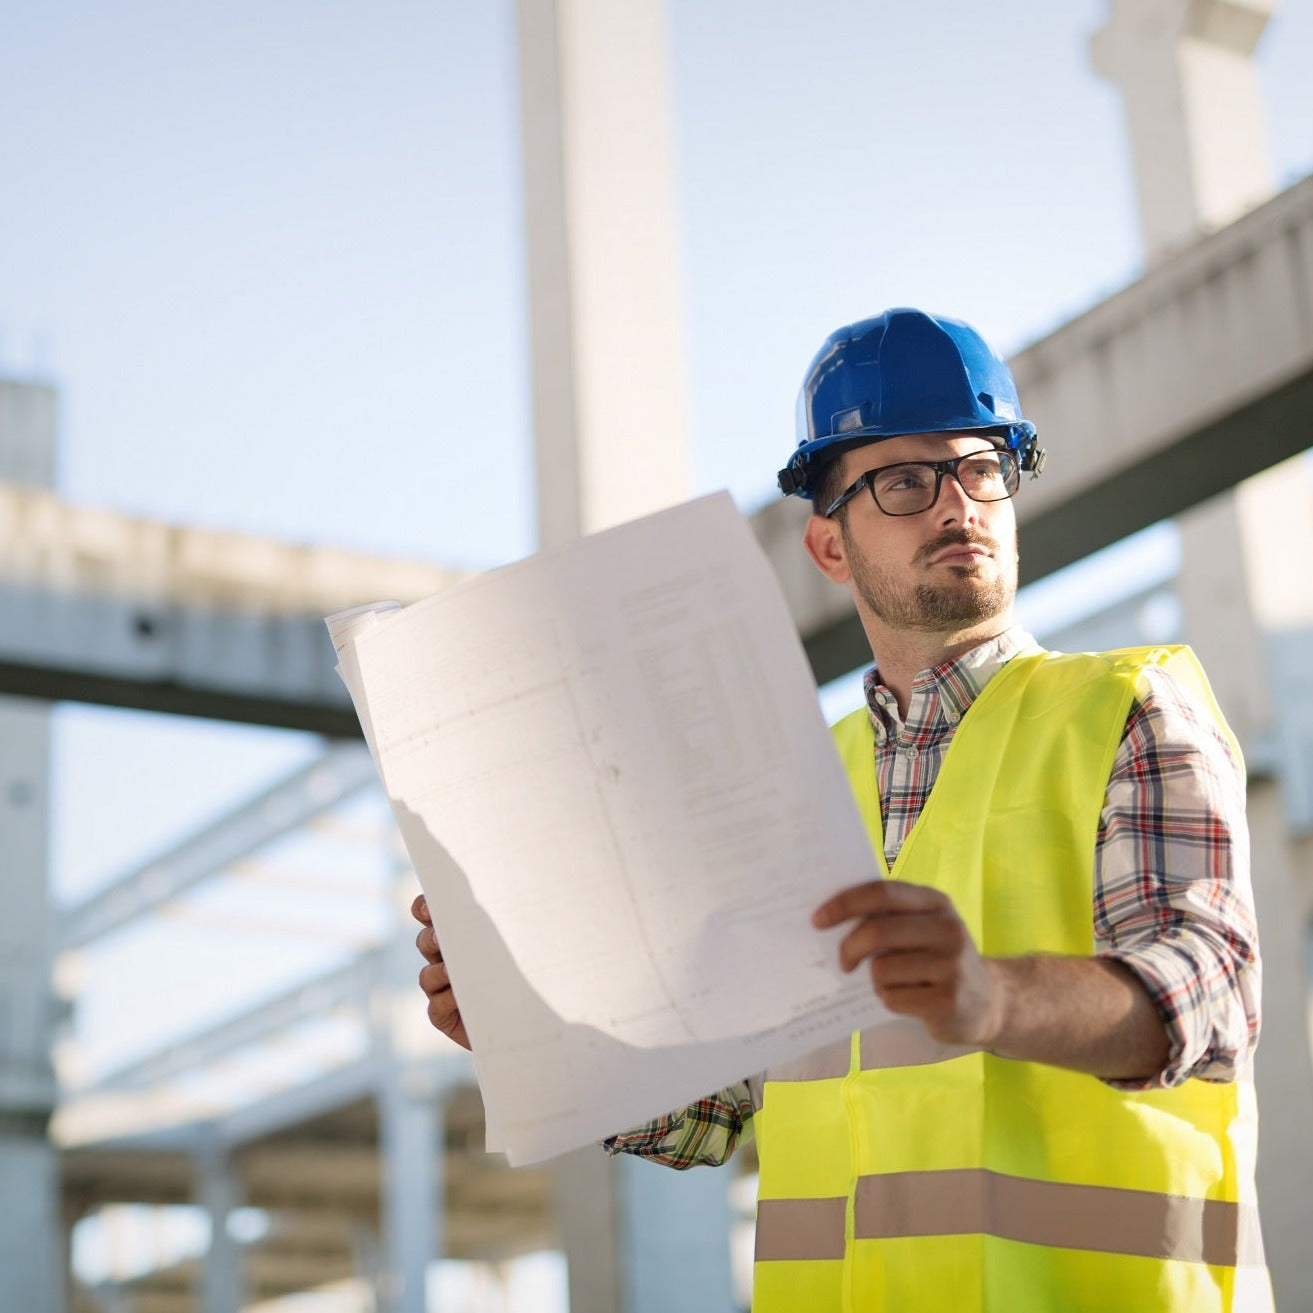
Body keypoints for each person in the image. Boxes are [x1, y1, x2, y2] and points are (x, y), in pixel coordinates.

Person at [414, 307, 1270, 1311]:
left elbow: (1209, 992)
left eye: (980, 466)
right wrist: (530, 1030)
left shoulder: (1125, 704)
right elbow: (719, 1104)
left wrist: (989, 998)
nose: (957, 504)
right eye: (904, 481)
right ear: (827, 546)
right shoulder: (792, 783)